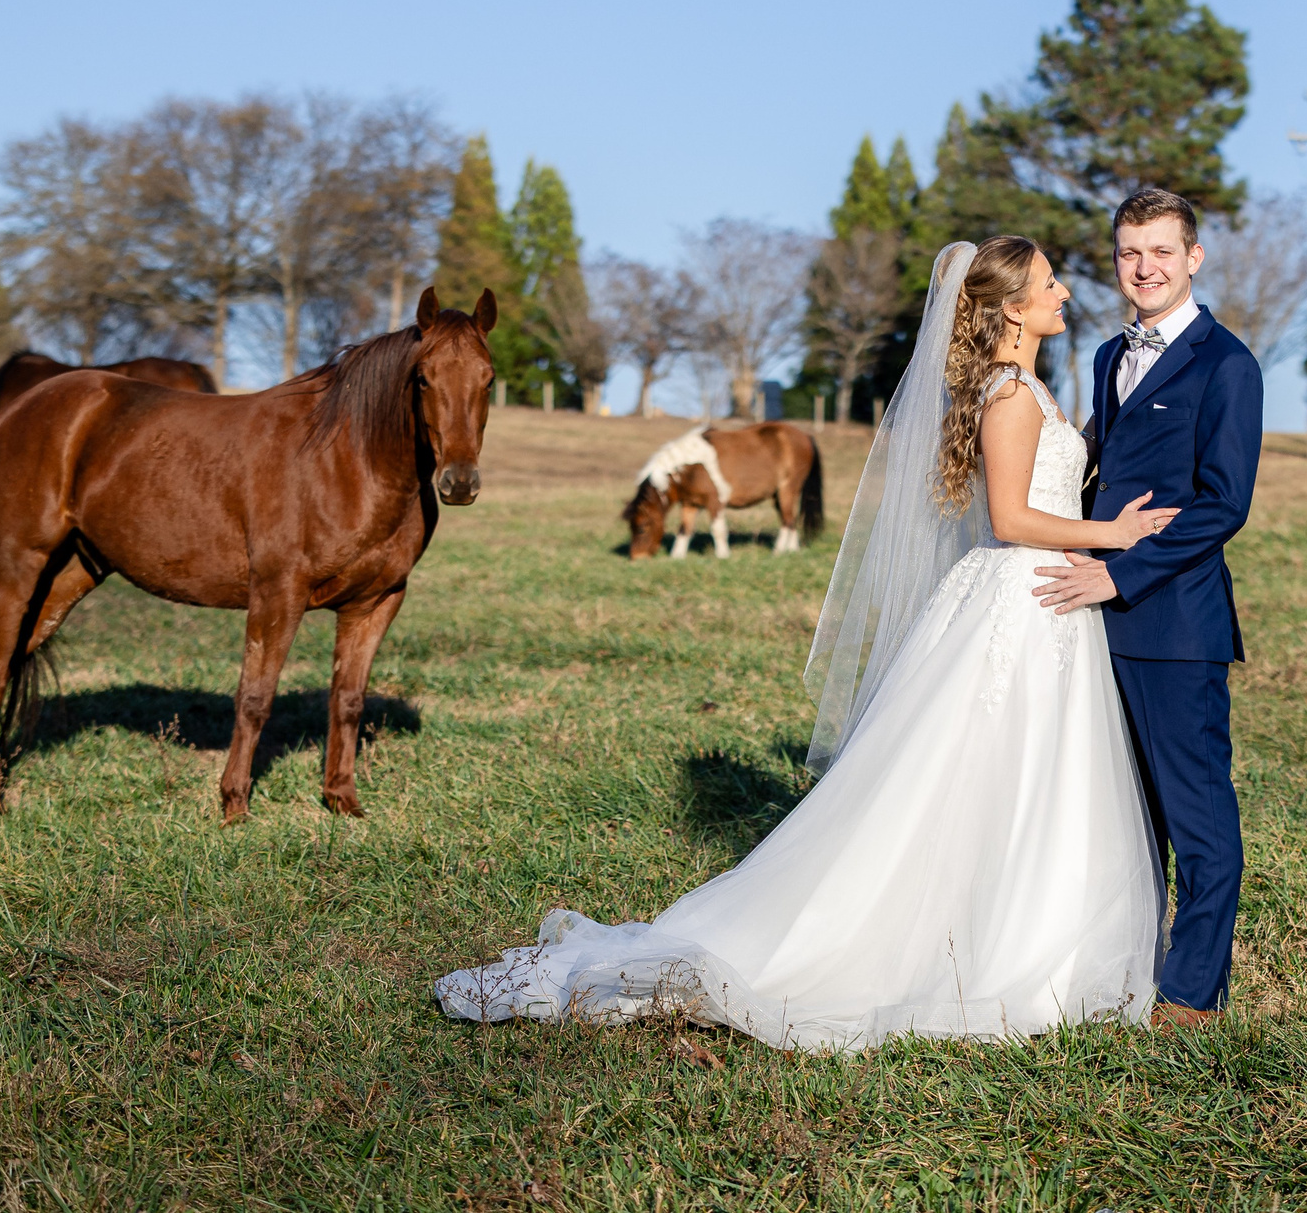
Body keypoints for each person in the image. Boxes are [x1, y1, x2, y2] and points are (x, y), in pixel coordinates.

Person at [434, 236, 1178, 1050]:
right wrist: (1112, 533)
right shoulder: (1011, 395)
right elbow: (1010, 517)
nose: (1064, 291)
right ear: (1012, 307)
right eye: (1048, 282)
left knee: (1023, 774)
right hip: (1022, 597)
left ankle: (1024, 933)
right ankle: (983, 950)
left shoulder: (1026, 388)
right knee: (988, 772)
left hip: (1044, 600)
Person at [1032, 187, 1263, 1029]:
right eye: (1130, 252)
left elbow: (1223, 503)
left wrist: (1119, 575)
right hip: (1093, 623)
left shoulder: (1227, 364)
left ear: (1193, 257)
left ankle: (1192, 995)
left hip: (1175, 623)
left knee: (1195, 813)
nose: (1146, 267)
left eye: (1163, 250)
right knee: (1124, 814)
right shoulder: (1106, 354)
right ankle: (1119, 969)